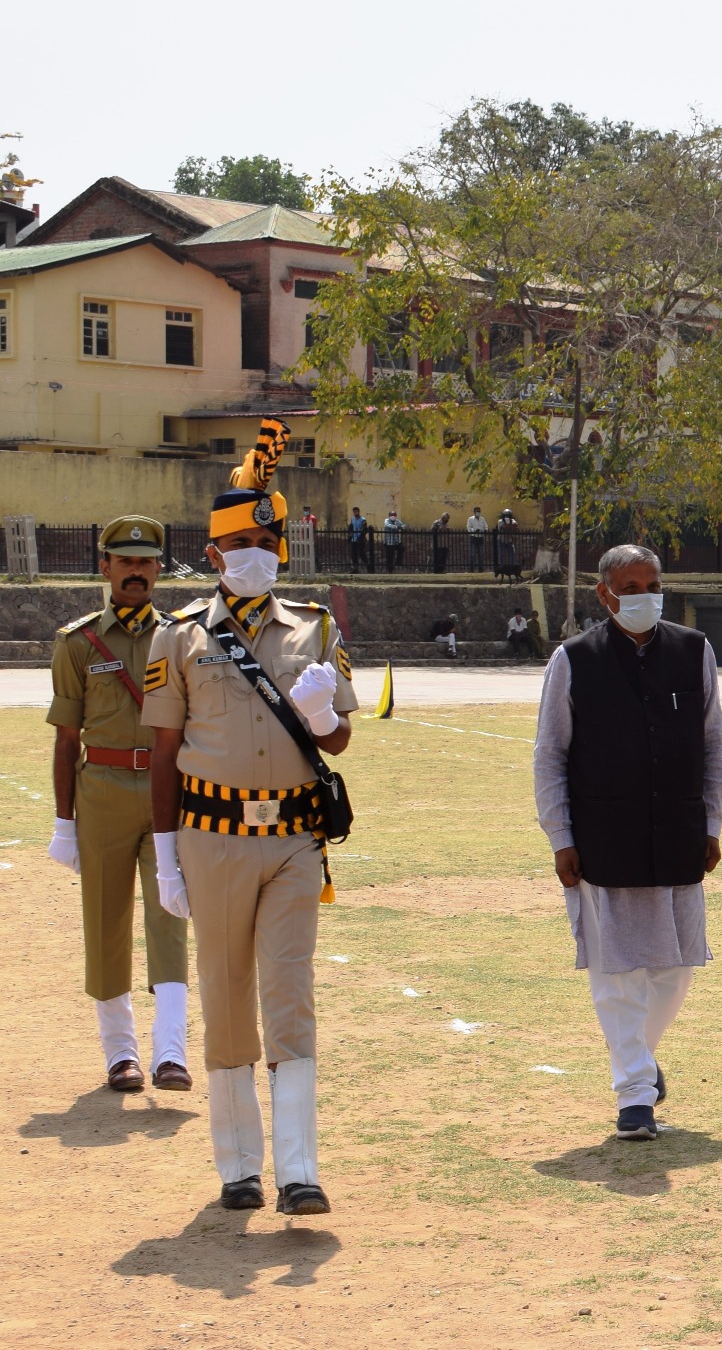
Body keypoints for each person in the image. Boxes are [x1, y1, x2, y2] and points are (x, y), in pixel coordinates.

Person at [142, 417, 357, 1216]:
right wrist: (165, 858)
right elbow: (164, 755)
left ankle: (299, 1168)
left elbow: (341, 734)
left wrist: (319, 714)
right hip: (212, 839)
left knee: (289, 992)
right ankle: (238, 1165)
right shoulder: (181, 638)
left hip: (294, 839)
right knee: (227, 995)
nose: (254, 558)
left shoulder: (317, 628)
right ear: (213, 556)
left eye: (265, 545)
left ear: (282, 550)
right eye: (239, 548)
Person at [535, 544, 722, 1141]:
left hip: (678, 832)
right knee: (616, 971)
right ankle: (635, 1095)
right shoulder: (573, 660)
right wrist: (561, 835)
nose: (644, 595)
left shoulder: (694, 652)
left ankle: (638, 1058)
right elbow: (550, 755)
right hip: (603, 837)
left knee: (675, 967)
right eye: (631, 585)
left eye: (653, 584)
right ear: (605, 594)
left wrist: (713, 824)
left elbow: (714, 745)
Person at [48, 515, 191, 1094]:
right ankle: (120, 1054)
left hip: (169, 793)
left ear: (160, 569)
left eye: (146, 561)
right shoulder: (77, 643)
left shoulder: (181, 637)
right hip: (102, 791)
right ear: (104, 568)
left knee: (171, 917)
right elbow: (64, 740)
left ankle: (171, 1052)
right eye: (125, 561)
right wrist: (64, 821)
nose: (137, 572)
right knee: (106, 922)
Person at [495, 508, 521, 579]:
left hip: (509, 540)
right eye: (505, 515)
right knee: (501, 554)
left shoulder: (512, 521)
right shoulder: (500, 521)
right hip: (501, 540)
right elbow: (504, 526)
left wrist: (510, 526)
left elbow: (516, 526)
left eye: (508, 515)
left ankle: (512, 567)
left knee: (512, 554)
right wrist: (511, 526)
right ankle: (501, 568)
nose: (507, 517)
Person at [347, 507, 370, 574]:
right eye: (354, 512)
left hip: (360, 540)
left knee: (361, 553)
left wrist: (361, 538)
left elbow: (364, 529)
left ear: (359, 512)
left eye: (356, 512)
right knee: (354, 554)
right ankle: (355, 568)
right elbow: (351, 527)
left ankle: (368, 566)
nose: (355, 513)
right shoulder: (353, 519)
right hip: (354, 539)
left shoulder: (363, 520)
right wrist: (349, 537)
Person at [467, 507, 489, 573]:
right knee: (472, 554)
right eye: (477, 511)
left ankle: (481, 568)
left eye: (479, 511)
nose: (478, 512)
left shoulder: (482, 519)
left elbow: (486, 526)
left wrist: (485, 530)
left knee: (481, 554)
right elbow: (468, 527)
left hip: (480, 537)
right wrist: (474, 531)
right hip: (473, 537)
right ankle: (471, 568)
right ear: (474, 512)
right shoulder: (470, 519)